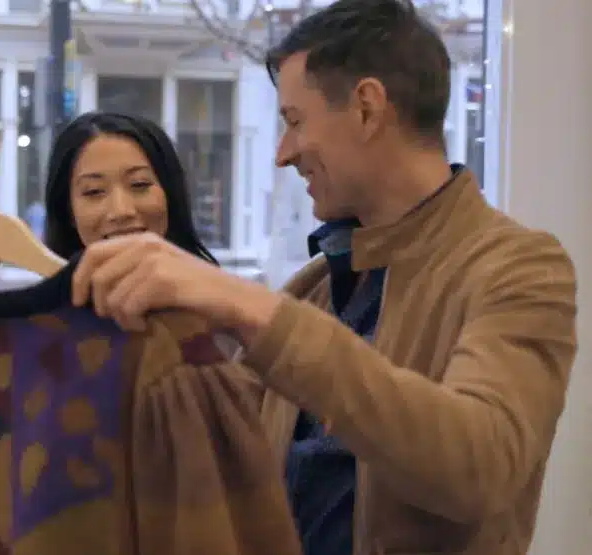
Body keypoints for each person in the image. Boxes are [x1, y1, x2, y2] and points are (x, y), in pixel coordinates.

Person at [68, 2, 578, 555]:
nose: (284, 154)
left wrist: (249, 308)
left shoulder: (520, 267)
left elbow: (480, 465)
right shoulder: (320, 284)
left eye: (293, 121)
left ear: (366, 107)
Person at [43, 110, 217, 264]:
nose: (121, 211)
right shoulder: (49, 301)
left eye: (139, 184)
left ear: (169, 194)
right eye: (94, 191)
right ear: (68, 212)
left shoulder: (217, 298)